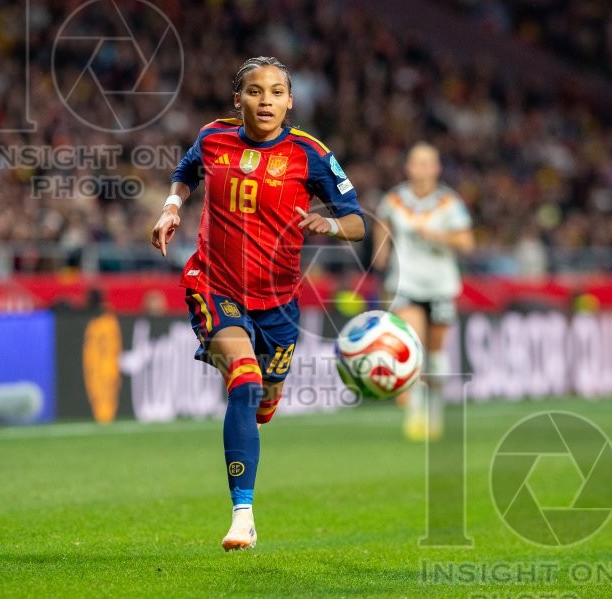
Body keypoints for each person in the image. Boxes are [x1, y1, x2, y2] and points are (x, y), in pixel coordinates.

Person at [149, 57, 365, 551]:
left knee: (264, 402)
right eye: (254, 91)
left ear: (290, 102)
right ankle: (242, 515)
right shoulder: (213, 139)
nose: (264, 100)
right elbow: (186, 169)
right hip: (215, 284)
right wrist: (171, 207)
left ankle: (269, 394)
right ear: (237, 100)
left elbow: (356, 222)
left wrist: (328, 225)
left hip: (279, 303)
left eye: (275, 92)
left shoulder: (310, 154)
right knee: (243, 383)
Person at [372, 142, 474, 441]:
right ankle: (415, 414)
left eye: (428, 162)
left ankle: (436, 411)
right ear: (408, 167)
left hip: (441, 285)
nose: (422, 168)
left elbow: (467, 243)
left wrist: (438, 236)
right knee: (413, 347)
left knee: (436, 353)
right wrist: (380, 263)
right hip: (407, 283)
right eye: (417, 162)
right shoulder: (394, 200)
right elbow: (382, 234)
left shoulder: (448, 202)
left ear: (437, 168)